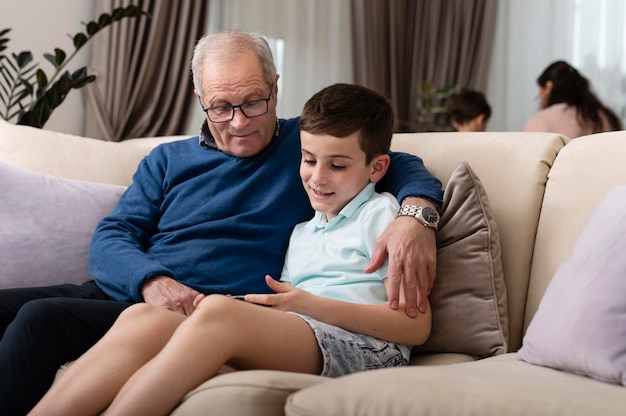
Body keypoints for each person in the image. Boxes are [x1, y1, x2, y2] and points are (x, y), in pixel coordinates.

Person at [0, 30, 443, 414]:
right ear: (200, 101)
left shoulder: (306, 145)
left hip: (220, 307)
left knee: (40, 319)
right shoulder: (168, 160)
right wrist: (151, 282)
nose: (240, 122)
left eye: (253, 102)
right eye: (221, 107)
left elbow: (395, 165)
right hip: (134, 291)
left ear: (275, 87)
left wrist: (415, 215)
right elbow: (113, 235)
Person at [524, 60, 621, 138]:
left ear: (548, 87)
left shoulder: (541, 120)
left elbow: (531, 158)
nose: (541, 99)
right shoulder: (605, 117)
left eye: (540, 93)